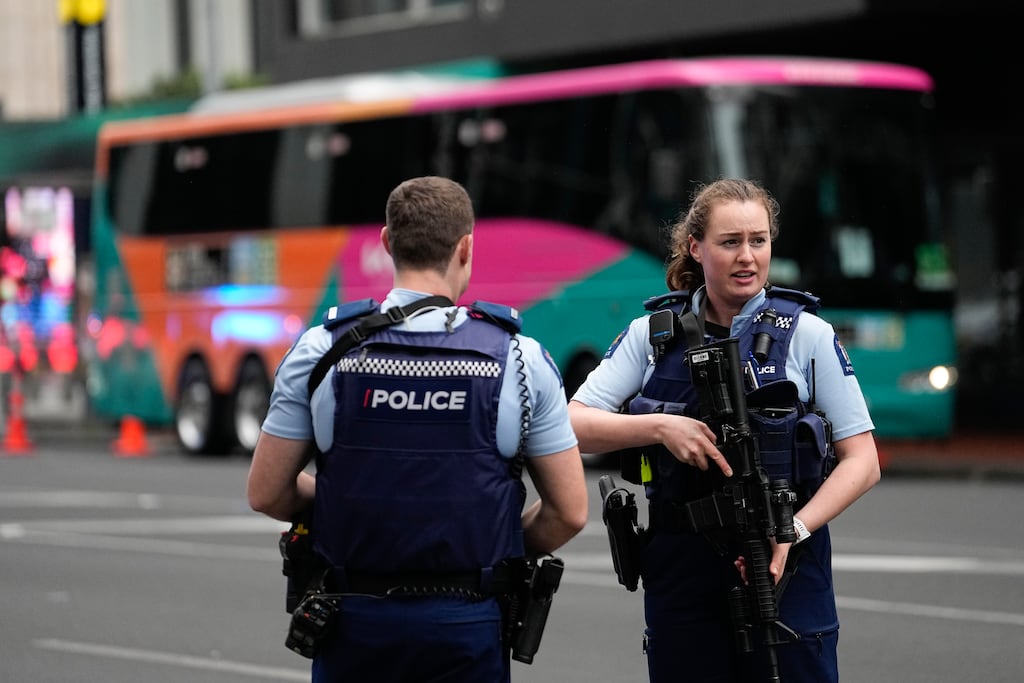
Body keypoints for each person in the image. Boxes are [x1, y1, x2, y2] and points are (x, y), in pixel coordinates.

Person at [247, 175, 588, 682]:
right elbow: (569, 513)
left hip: (353, 620)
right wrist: (484, 534)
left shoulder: (321, 351)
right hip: (467, 622)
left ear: (386, 243)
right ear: (466, 248)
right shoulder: (521, 359)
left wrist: (361, 502)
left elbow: (267, 492)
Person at [569, 178, 880, 683]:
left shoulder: (807, 334)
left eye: (758, 240)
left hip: (785, 566)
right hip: (683, 571)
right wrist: (660, 427)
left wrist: (793, 532)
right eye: (730, 242)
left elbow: (863, 462)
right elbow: (573, 425)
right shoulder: (652, 335)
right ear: (696, 247)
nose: (747, 257)